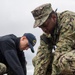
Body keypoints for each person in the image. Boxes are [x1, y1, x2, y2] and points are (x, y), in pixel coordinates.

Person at [31, 3, 75, 75]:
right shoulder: (47, 34)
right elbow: (41, 58)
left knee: (63, 61)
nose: (44, 29)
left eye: (45, 25)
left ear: (54, 17)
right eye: (41, 27)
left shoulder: (69, 20)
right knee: (36, 60)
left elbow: (61, 52)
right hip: (69, 53)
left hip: (66, 52)